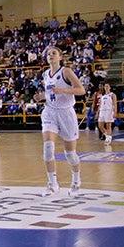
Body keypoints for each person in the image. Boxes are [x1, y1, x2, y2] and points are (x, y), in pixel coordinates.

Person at [39, 46, 87, 196]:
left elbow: (81, 90)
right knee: (48, 150)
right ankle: (53, 184)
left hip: (66, 114)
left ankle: (76, 182)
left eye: (54, 53)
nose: (50, 55)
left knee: (70, 154)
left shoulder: (66, 71)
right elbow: (50, 94)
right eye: (48, 54)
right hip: (50, 112)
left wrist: (64, 90)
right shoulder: (46, 74)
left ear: (60, 57)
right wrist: (42, 97)